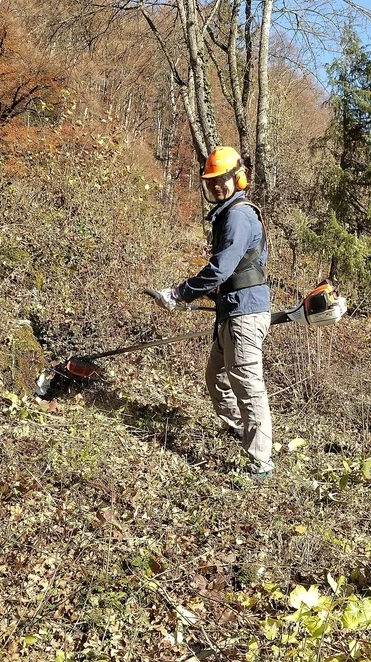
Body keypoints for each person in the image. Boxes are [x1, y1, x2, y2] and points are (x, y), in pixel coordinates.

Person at [152, 146, 274, 478]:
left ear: (238, 178)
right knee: (216, 378)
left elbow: (220, 269)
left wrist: (179, 293)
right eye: (212, 182)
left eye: (222, 179)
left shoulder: (237, 216)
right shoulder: (228, 213)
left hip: (244, 316)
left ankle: (261, 461)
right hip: (231, 312)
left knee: (248, 386)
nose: (217, 186)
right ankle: (238, 430)